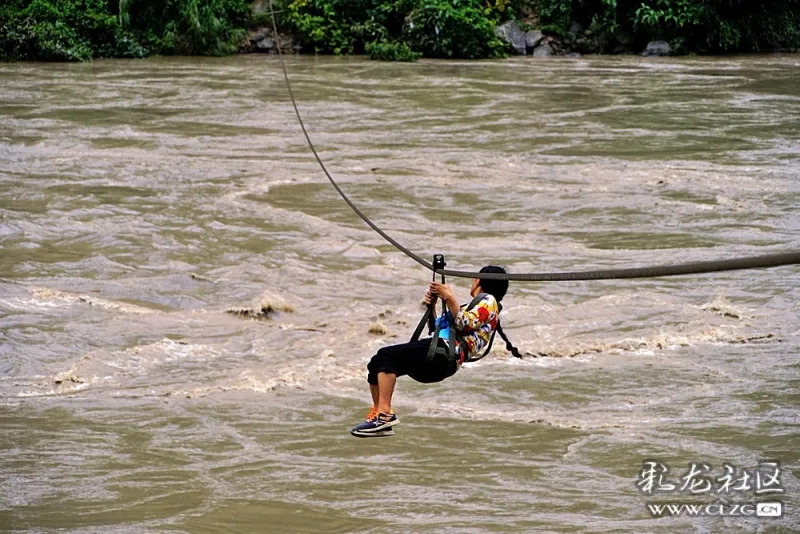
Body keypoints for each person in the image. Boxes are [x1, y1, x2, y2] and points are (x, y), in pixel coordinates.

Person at [350, 265, 519, 437]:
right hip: (440, 353)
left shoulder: (489, 301)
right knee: (376, 364)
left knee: (386, 357)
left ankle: (384, 416)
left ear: (478, 281)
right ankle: (379, 415)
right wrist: (433, 307)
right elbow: (435, 329)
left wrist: (449, 296)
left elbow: (465, 323)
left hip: (444, 353)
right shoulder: (473, 306)